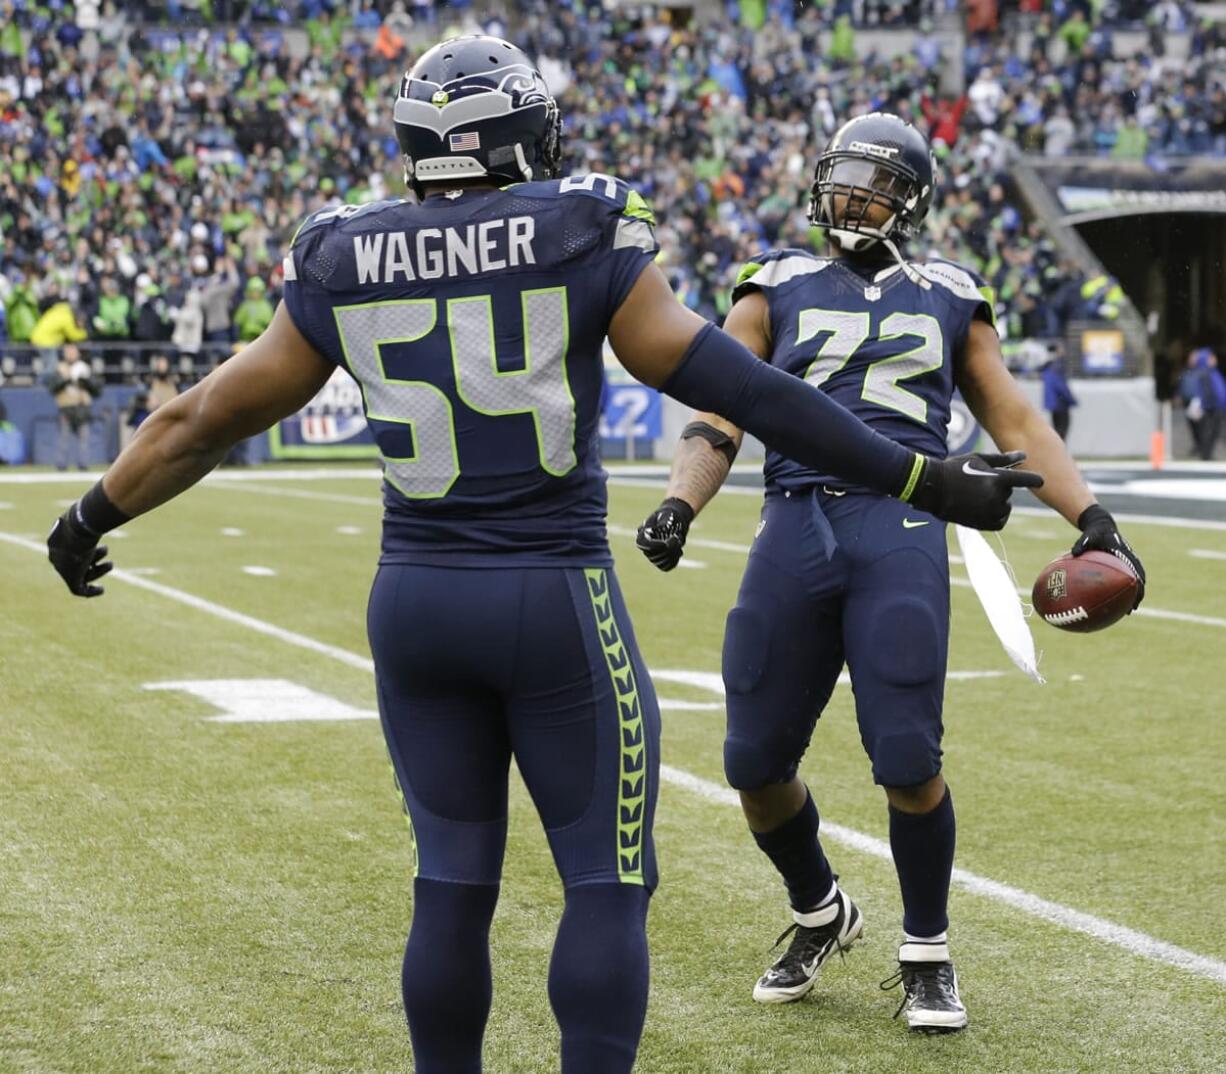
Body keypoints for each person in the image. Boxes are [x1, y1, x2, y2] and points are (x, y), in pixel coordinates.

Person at [46, 44, 1036, 1074]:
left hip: (414, 604)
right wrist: (920, 478)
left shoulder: (346, 252)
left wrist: (88, 515)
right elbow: (748, 391)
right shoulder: (574, 228)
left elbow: (201, 418)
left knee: (450, 881)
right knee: (605, 884)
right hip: (550, 594)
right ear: (523, 132)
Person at [636, 113, 1145, 1035]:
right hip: (791, 520)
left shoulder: (950, 290)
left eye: (873, 183)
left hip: (905, 521)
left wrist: (1093, 518)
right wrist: (682, 501)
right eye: (843, 177)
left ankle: (927, 950)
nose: (851, 196)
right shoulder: (776, 278)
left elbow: (1014, 420)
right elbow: (721, 408)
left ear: (908, 198)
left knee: (907, 757)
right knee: (752, 760)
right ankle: (820, 908)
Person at [48, 342, 100, 470]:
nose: (71, 355)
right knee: (63, 439)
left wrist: (86, 381)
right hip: (66, 407)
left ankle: (83, 465)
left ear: (78, 353)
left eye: (73, 351)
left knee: (84, 439)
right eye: (68, 352)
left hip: (82, 407)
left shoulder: (85, 368)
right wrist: (67, 380)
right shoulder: (59, 368)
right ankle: (61, 465)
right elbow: (52, 388)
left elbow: (97, 390)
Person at [1179, 346, 1226, 460]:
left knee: (1211, 432)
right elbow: (1208, 392)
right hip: (1212, 408)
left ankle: (1206, 454)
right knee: (1209, 432)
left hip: (1215, 407)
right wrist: (1211, 406)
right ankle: (1206, 455)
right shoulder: (1205, 373)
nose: (1214, 359)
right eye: (1211, 357)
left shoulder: (1211, 372)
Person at [1040, 347, 1077, 441]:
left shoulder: (1047, 366)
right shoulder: (1058, 366)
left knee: (1057, 429)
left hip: (1053, 404)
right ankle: (1060, 453)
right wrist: (1072, 400)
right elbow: (1060, 386)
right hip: (1060, 403)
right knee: (1062, 430)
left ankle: (1056, 452)